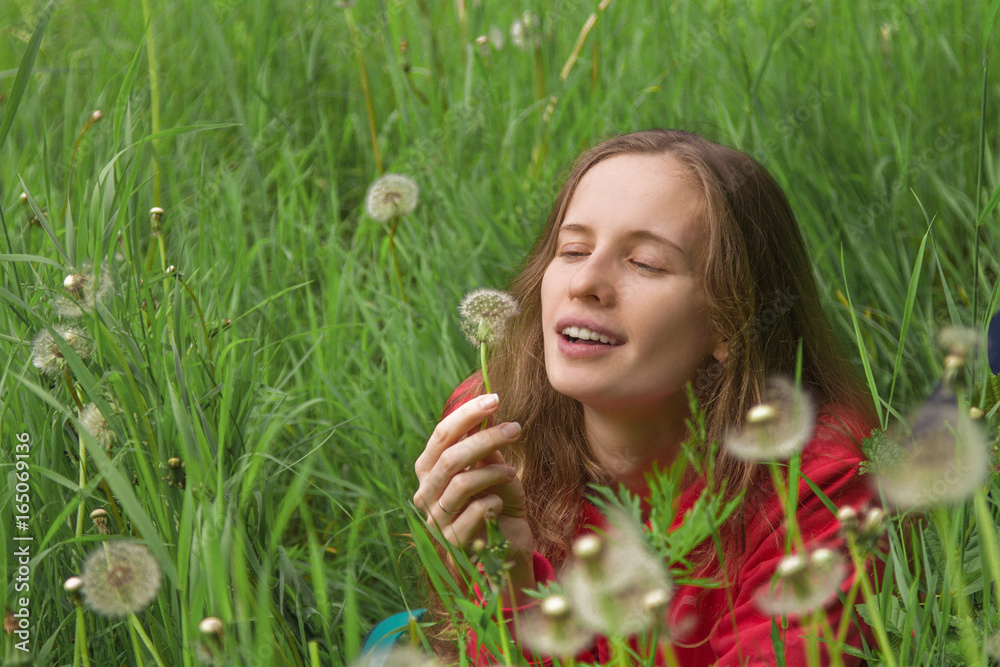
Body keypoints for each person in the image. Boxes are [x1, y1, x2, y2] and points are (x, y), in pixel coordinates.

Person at [412, 129, 878, 665]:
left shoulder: (820, 482)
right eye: (572, 249)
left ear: (731, 320)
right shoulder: (494, 423)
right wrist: (506, 586)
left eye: (646, 263)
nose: (585, 281)